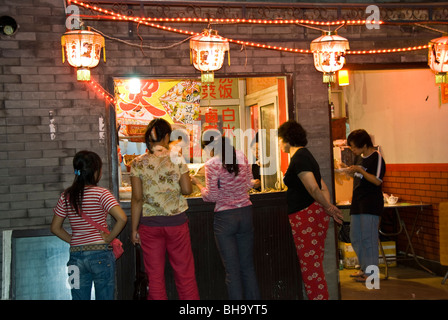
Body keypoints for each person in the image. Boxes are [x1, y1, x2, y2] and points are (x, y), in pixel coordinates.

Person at [130, 118, 199, 300]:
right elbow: (186, 190)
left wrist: (133, 230)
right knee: (185, 274)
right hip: (176, 223)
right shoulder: (177, 158)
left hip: (150, 226)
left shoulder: (137, 163)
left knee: (155, 278)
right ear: (167, 136)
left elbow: (137, 199)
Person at [278, 120, 343, 300]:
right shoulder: (306, 155)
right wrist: (326, 207)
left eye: (280, 139)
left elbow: (314, 188)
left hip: (305, 217)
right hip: (314, 214)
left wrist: (329, 208)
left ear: (287, 140)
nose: (279, 143)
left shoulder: (299, 158)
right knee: (314, 264)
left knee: (311, 267)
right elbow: (323, 188)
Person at [51, 150, 127, 300]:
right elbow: (122, 218)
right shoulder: (102, 194)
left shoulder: (66, 196)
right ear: (96, 172)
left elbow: (55, 227)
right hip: (100, 253)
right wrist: (109, 238)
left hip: (75, 258)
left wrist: (74, 240)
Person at [192, 135, 260, 300]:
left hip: (225, 218)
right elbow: (249, 183)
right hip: (245, 213)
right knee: (247, 267)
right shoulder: (242, 156)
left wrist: (198, 184)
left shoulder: (212, 164)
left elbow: (212, 197)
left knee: (232, 270)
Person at [346, 129, 386, 282]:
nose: (353, 150)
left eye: (354, 147)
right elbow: (360, 177)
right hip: (357, 202)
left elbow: (377, 180)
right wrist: (351, 171)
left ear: (364, 144)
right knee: (355, 237)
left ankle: (372, 274)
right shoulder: (359, 158)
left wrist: (358, 170)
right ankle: (364, 269)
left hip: (371, 203)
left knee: (369, 239)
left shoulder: (377, 157)